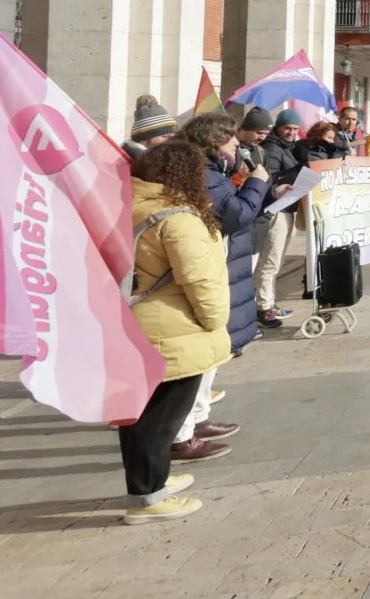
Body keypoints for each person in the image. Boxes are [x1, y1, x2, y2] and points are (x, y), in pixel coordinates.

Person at [122, 143, 234, 523]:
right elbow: (200, 279)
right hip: (174, 327)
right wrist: (215, 321)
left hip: (143, 320)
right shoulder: (178, 217)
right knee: (160, 418)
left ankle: (152, 485)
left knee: (144, 415)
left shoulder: (134, 205)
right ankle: (148, 498)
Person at [178, 114, 270, 461]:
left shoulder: (213, 171)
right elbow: (235, 214)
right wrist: (257, 182)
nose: (237, 146)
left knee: (212, 352)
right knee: (200, 353)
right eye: (231, 141)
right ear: (214, 142)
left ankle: (198, 418)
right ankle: (183, 432)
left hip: (224, 262)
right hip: (211, 265)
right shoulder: (202, 173)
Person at [254, 108, 309, 327]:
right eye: (287, 128)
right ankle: (263, 307)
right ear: (278, 127)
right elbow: (270, 177)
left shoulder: (289, 146)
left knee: (276, 259)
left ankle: (267, 301)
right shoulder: (273, 148)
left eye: (295, 129)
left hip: (287, 208)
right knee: (271, 259)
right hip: (276, 209)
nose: (291, 132)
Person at [124, 94, 178, 160]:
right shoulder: (140, 160)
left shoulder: (148, 156)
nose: (171, 140)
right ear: (145, 136)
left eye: (173, 136)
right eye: (165, 136)